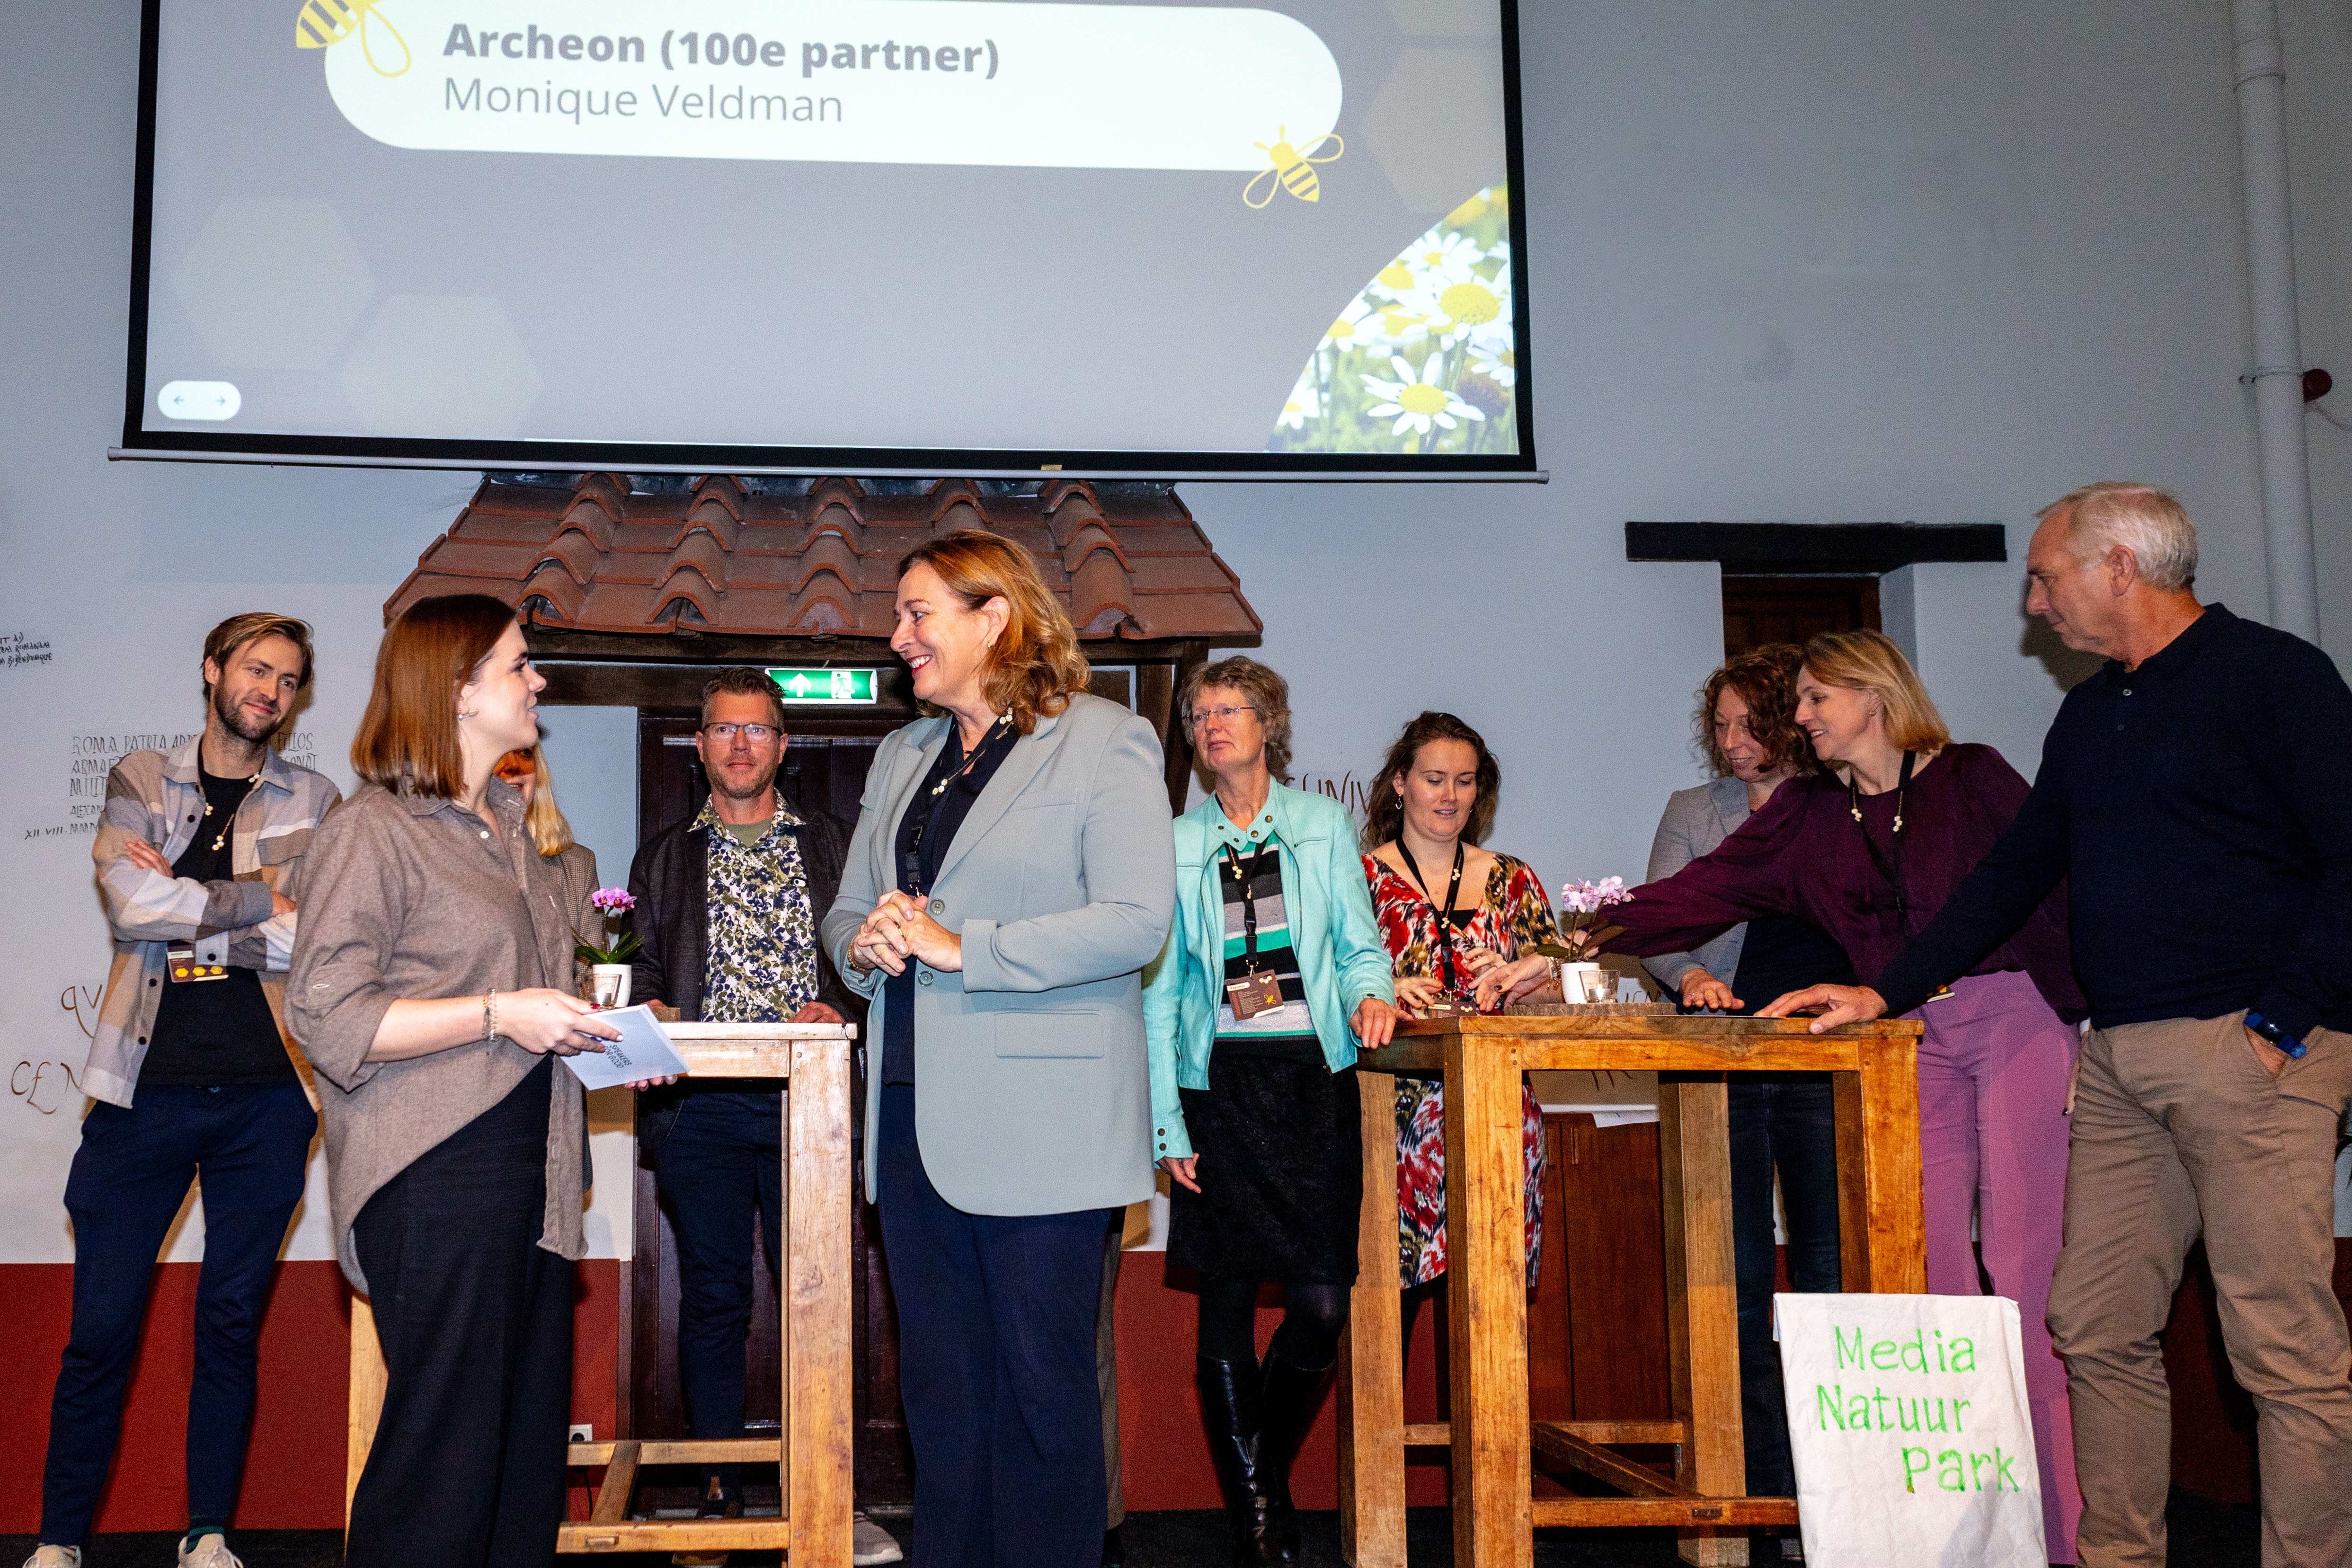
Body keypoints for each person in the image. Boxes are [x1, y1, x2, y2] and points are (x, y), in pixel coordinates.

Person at [1779, 484, 2352, 1568]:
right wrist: (1888, 989)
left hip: (2254, 1046)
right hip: (2120, 1057)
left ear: (2120, 568)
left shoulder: (2273, 678)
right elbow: (2013, 873)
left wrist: (2283, 1019)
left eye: (2045, 576)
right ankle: (2118, 1556)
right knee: (2091, 1325)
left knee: (2279, 1348)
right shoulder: (2093, 708)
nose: (2034, 602)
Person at [1589, 629, 2086, 1560]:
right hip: (1902, 1040)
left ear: (1874, 696)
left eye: (1817, 698)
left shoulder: (1971, 775)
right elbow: (1704, 887)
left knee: (2025, 1280)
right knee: (1928, 1281)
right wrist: (1575, 934)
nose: (1802, 717)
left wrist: (2086, 1023)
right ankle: (1967, 1534)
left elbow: (2049, 886)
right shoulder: (1812, 811)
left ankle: (2063, 1536)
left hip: (2012, 1017)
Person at [823, 530, 1175, 1568]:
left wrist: (959, 945)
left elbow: (1133, 921)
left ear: (995, 618)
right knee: (942, 1403)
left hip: (1047, 1131)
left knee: (1041, 1399)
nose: (899, 639)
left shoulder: (1106, 739)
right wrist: (869, 940)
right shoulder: (900, 756)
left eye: (918, 614)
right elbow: (846, 915)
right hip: (910, 1117)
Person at [290, 594, 642, 1568]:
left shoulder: (509, 834)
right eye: (519, 664)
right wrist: (499, 1012)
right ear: (455, 690)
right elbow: (326, 1016)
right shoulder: (375, 829)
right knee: (443, 1467)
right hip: (435, 1172)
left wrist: (604, 1043)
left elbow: (543, 1000)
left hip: (531, 1176)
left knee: (521, 1467)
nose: (539, 682)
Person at [22, 614, 338, 1568]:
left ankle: (207, 1535)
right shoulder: (142, 778)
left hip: (269, 1096)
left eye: (287, 680)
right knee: (102, 1327)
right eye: (255, 669)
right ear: (212, 671)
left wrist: (188, 905)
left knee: (231, 1320)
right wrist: (254, 902)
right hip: (139, 1089)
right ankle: (58, 1540)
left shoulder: (319, 799)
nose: (269, 692)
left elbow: (312, 937)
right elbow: (128, 907)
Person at [623, 669, 895, 1568]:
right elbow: (645, 969)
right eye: (722, 730)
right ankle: (717, 1491)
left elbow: (869, 956)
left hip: (808, 1104)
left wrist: (840, 1007)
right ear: (698, 746)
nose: (740, 745)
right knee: (712, 1295)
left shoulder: (834, 842)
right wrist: (653, 1003)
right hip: (698, 1106)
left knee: (824, 1301)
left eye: (758, 731)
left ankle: (834, 1494)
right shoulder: (661, 856)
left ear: (783, 746)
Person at [1146, 656, 1400, 1568]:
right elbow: (1159, 991)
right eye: (1201, 713)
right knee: (1222, 1300)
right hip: (1217, 1084)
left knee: (1321, 1303)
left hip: (1311, 1078)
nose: (1214, 724)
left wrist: (1373, 995)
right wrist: (1166, 1122)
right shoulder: (1172, 839)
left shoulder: (1324, 824)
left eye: (1232, 709)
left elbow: (1361, 949)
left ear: (1269, 725)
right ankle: (1263, 1514)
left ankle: (1259, 1480)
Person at [1636, 647, 1852, 1537]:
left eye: (1746, 722)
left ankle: (1835, 1491)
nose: (1730, 740)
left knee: (1831, 1271)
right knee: (1733, 1273)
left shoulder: (1838, 805)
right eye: (1716, 725)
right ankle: (1756, 1484)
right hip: (1724, 1051)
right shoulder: (1696, 811)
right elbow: (1654, 922)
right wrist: (1687, 977)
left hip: (1828, 1051)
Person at [1356, 711, 1553, 1321]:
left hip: (1499, 1111)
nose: (1450, 796)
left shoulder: (1513, 878)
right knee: (1391, 1308)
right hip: (1393, 1118)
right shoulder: (1357, 877)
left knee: (1495, 1311)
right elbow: (1320, 984)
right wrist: (1380, 986)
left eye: (1465, 781)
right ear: (1399, 783)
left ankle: (1491, 1425)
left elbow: (1560, 994)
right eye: (1434, 778)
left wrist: (1526, 981)